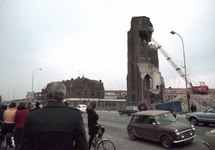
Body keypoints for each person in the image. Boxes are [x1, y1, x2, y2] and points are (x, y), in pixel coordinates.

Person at [20, 82, 88, 150]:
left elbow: (25, 145)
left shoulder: (31, 115)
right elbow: (82, 146)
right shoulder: (75, 115)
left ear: (47, 96)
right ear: (64, 96)